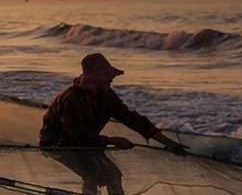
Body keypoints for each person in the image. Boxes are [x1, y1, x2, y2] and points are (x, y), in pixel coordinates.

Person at [39, 52, 188, 155]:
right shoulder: (72, 98)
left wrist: (170, 143)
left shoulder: (106, 95)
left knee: (110, 175)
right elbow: (75, 135)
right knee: (96, 175)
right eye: (107, 77)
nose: (111, 80)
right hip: (59, 144)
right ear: (97, 79)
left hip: (87, 143)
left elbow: (130, 118)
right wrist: (112, 141)